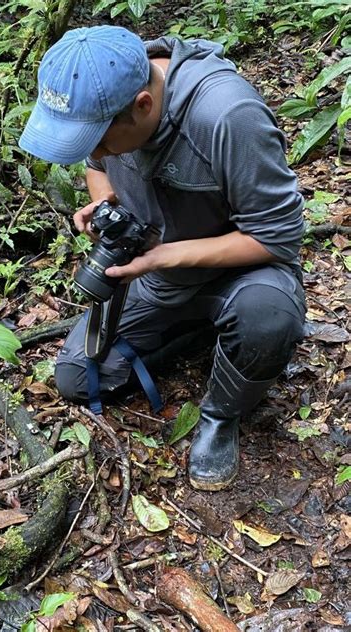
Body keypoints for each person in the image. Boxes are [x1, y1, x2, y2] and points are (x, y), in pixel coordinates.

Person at [19, 25, 306, 491]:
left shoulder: (227, 117)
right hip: (163, 276)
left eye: (98, 138)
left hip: (241, 272)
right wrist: (106, 200)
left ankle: (220, 414)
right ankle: (202, 330)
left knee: (266, 316)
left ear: (143, 106)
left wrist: (164, 257)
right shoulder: (107, 99)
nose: (91, 150)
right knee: (78, 378)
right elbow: (96, 166)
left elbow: (280, 236)